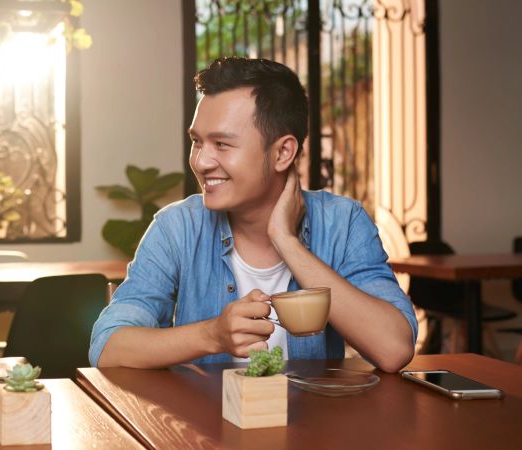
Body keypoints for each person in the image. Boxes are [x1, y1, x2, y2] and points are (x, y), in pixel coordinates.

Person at [90, 57, 417, 373]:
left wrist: (287, 242)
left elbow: (394, 349)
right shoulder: (177, 227)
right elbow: (108, 347)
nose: (201, 162)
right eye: (197, 142)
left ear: (283, 152)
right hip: (202, 425)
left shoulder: (342, 223)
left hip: (315, 425)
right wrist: (212, 335)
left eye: (221, 144)